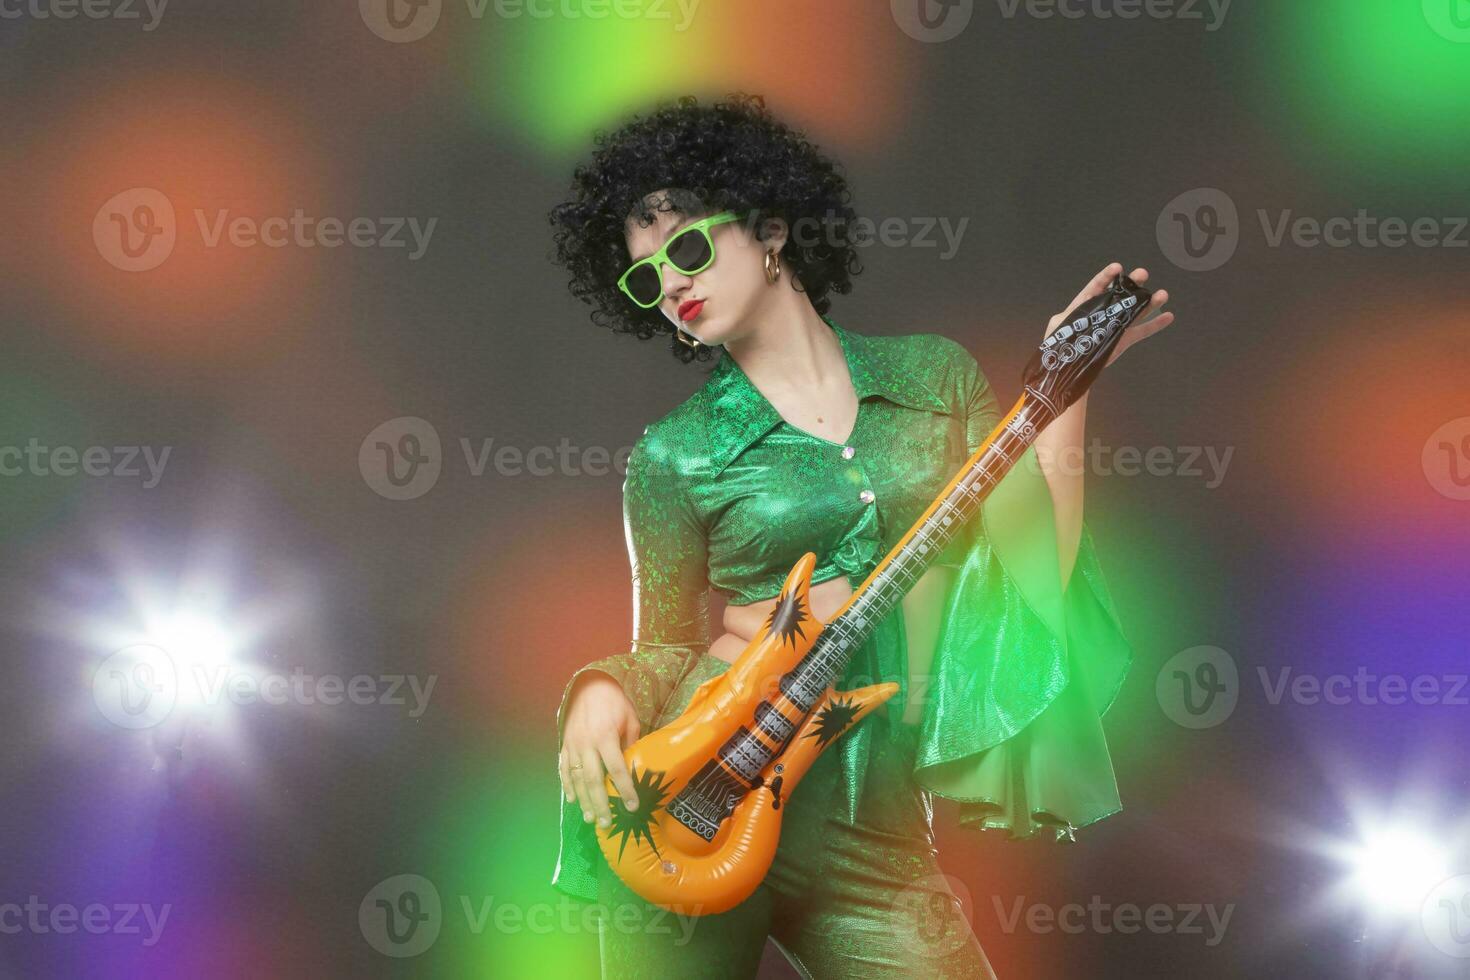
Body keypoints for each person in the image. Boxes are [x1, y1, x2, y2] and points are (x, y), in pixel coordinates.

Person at [546, 92, 1175, 979]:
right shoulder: (672, 455)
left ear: (769, 230)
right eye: (646, 278)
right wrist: (599, 691)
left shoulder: (935, 376)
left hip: (873, 826)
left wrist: (1062, 399)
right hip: (694, 806)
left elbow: (1035, 572)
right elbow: (669, 646)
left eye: (687, 247)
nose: (672, 284)